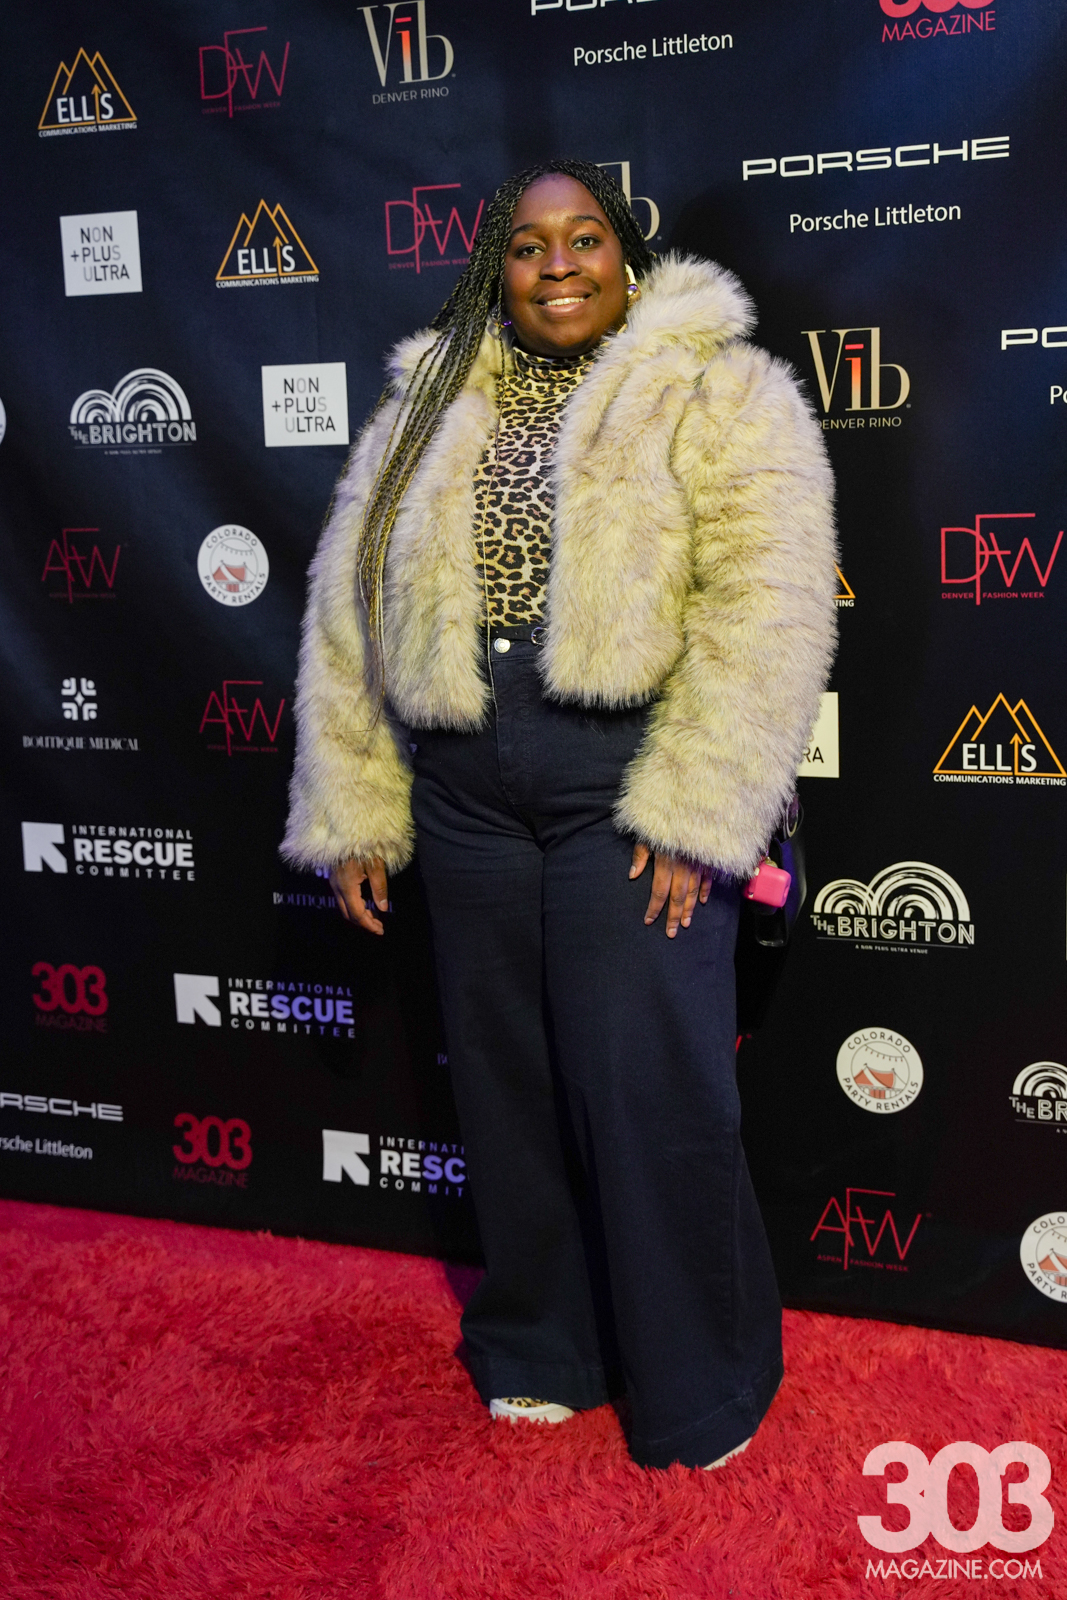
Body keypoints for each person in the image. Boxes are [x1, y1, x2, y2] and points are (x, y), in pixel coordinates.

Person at [282, 159, 837, 1471]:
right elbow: (350, 607)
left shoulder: (719, 388)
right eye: (529, 247)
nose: (558, 265)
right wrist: (354, 802)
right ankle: (544, 1344)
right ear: (499, 272)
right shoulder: (425, 402)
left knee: (647, 1087)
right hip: (466, 789)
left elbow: (767, 606)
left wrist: (698, 810)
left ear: (625, 259)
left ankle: (702, 1381)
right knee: (509, 1085)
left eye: (584, 238)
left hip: (622, 783)